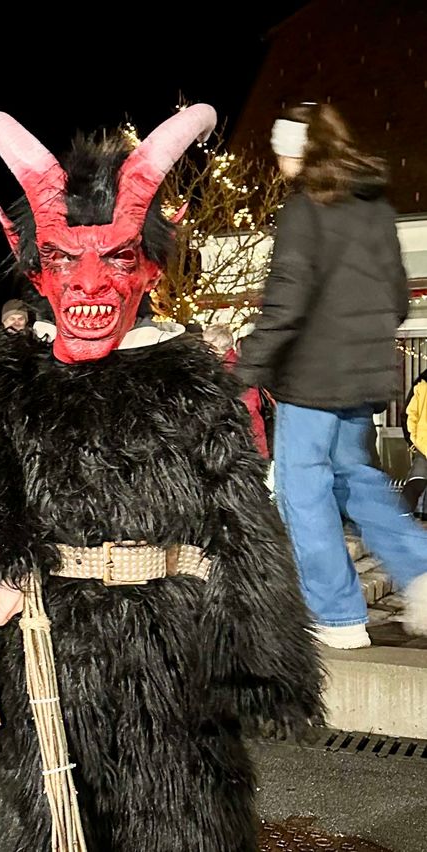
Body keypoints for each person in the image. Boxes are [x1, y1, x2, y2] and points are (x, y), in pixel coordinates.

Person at [0, 108, 323, 852]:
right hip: (48, 650)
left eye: (119, 258)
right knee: (59, 818)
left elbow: (241, 520)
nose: (90, 283)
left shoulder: (191, 386)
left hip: (174, 648)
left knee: (184, 815)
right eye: (64, 260)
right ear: (35, 269)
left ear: (151, 267)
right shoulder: (4, 387)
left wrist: (263, 662)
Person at [236, 102, 427, 650]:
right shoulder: (376, 207)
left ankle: (337, 614)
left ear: (299, 151)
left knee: (304, 489)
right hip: (361, 378)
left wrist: (244, 370)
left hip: (314, 380)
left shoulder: (304, 209)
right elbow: (395, 296)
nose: (279, 165)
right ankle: (419, 571)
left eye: (281, 154)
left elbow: (286, 303)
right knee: (355, 476)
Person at [203, 322, 271, 459]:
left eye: (205, 343)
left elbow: (249, 407)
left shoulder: (231, 371)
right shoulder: (232, 366)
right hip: (249, 441)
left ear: (216, 345)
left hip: (246, 444)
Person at [403, 367, 427, 516]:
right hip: (422, 443)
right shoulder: (422, 386)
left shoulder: (422, 386)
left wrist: (413, 439)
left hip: (423, 442)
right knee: (417, 479)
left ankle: (401, 516)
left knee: (417, 480)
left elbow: (409, 415)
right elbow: (409, 415)